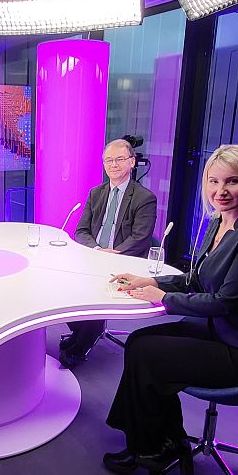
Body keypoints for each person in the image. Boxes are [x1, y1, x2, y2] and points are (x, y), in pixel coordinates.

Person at [102, 144, 238, 475]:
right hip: (220, 332)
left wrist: (161, 298)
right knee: (140, 342)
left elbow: (224, 301)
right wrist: (149, 279)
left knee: (151, 355)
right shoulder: (219, 222)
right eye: (214, 182)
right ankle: (167, 439)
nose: (221, 191)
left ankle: (150, 447)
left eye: (232, 182)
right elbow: (197, 280)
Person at [60, 138, 158, 369]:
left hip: (123, 261)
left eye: (120, 159)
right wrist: (96, 251)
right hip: (93, 257)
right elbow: (81, 230)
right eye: (108, 160)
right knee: (62, 290)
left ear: (132, 162)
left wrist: (111, 255)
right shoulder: (96, 193)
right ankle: (83, 331)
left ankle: (78, 347)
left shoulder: (145, 198)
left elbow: (141, 238)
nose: (113, 165)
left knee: (94, 299)